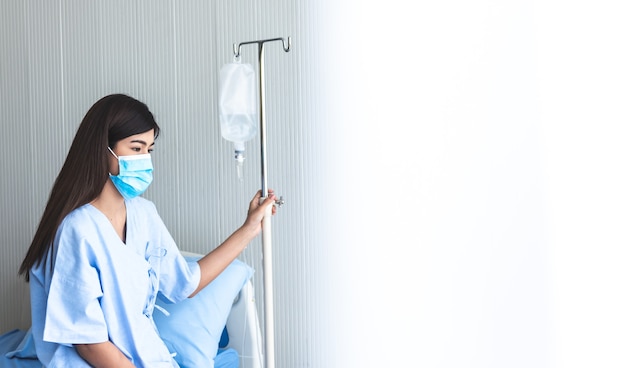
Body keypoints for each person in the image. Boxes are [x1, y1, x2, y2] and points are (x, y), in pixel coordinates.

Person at [18, 94, 277, 367]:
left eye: (149, 150)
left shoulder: (144, 213)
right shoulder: (78, 230)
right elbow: (88, 343)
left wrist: (249, 228)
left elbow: (185, 283)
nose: (145, 159)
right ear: (103, 149)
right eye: (136, 148)